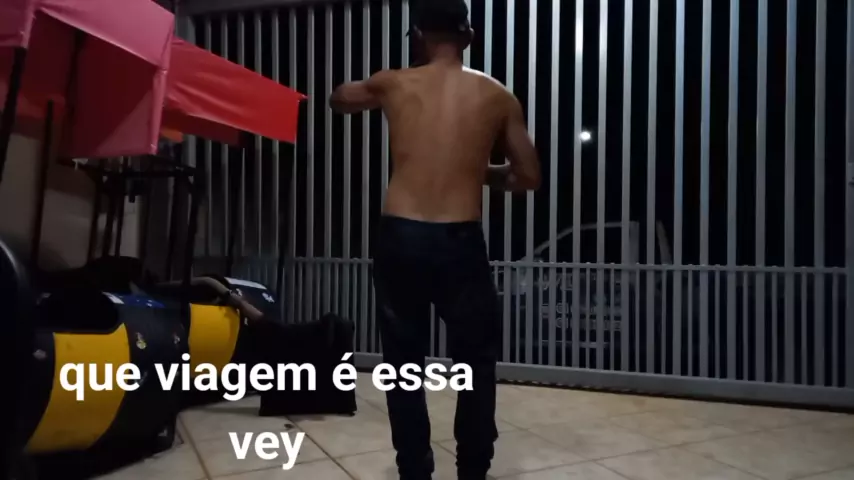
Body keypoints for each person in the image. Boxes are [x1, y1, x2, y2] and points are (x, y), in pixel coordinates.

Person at [329, 1, 540, 478]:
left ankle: (414, 469)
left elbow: (339, 98)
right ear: (469, 37)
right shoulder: (499, 95)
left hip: (400, 236)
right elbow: (528, 176)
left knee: (404, 364)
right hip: (459, 240)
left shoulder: (394, 82)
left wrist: (387, 79)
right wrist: (477, 170)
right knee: (476, 362)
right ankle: (473, 469)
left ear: (419, 36)